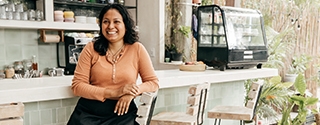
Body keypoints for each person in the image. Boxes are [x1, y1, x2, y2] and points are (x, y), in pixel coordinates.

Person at [67, 4, 159, 125]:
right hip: (88, 114)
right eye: (106, 21)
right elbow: (77, 86)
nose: (110, 26)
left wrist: (131, 93)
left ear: (125, 25)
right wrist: (114, 93)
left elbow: (153, 83)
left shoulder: (137, 49)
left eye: (116, 21)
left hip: (123, 113)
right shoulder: (90, 49)